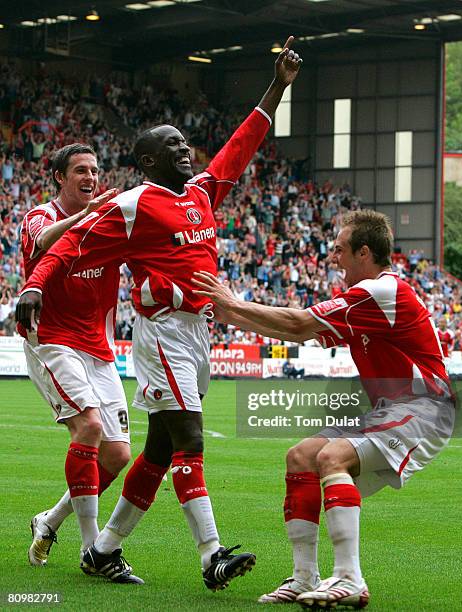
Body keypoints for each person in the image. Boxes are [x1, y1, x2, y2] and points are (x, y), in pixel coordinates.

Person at [16, 37, 302, 590]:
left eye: (187, 143)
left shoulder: (199, 194)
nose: (187, 150)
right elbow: (68, 246)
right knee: (190, 439)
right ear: (149, 160)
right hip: (164, 333)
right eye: (175, 146)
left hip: (200, 335)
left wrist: (278, 85)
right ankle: (211, 553)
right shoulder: (135, 203)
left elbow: (239, 148)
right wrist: (32, 287)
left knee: (157, 449)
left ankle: (102, 549)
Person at [192, 209, 455, 608]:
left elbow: (298, 324)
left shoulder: (381, 292)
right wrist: (232, 314)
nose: (333, 259)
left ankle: (349, 578)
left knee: (332, 457)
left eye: (340, 250)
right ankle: (304, 578)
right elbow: (300, 329)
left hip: (425, 408)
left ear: (364, 253)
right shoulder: (364, 301)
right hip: (393, 408)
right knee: (300, 456)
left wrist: (236, 303)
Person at [18, 143, 136, 582]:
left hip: (97, 344)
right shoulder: (39, 216)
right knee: (88, 427)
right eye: (81, 171)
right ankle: (93, 551)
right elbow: (47, 242)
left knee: (118, 453)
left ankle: (48, 520)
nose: (91, 177)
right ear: (59, 178)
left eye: (95, 170)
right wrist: (88, 216)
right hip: (50, 338)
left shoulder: (109, 219)